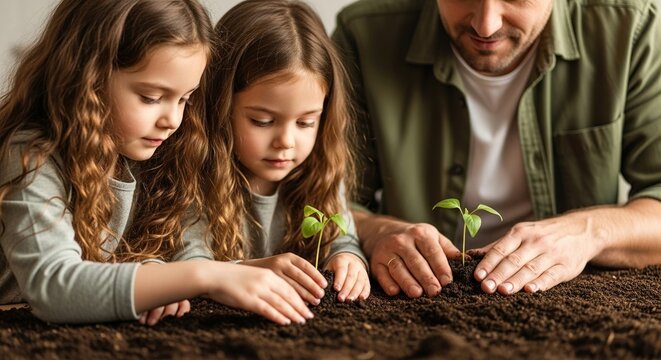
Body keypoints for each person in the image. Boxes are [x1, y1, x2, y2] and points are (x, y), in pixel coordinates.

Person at [0, 0, 312, 326]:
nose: (173, 119)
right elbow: (54, 288)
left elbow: (125, 266)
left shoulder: (143, 152)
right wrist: (206, 275)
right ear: (86, 78)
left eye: (185, 98)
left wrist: (234, 271)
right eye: (151, 98)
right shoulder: (28, 155)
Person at [332, 0, 661, 298]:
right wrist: (378, 232)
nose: (485, 26)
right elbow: (324, 199)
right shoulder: (363, 35)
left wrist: (587, 232)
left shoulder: (631, 27)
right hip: (415, 296)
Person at [200, 0, 370, 305]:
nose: (286, 141)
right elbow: (187, 261)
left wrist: (347, 257)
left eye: (306, 122)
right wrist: (246, 271)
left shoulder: (323, 168)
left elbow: (341, 236)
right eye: (262, 121)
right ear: (220, 106)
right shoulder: (196, 172)